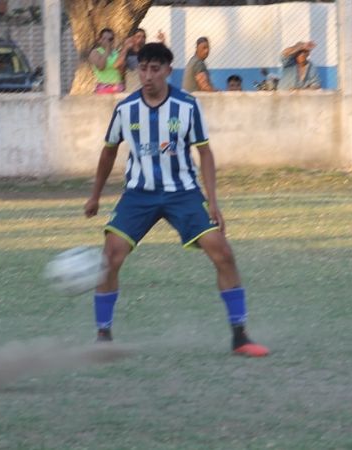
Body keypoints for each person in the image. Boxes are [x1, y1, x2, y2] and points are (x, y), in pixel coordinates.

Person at [84, 43, 269, 357]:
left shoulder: (187, 106)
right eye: (143, 68)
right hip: (138, 195)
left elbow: (205, 153)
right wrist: (95, 196)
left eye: (155, 69)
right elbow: (108, 152)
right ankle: (103, 336)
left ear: (168, 71)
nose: (148, 75)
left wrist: (213, 202)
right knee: (110, 256)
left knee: (222, 252)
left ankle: (240, 336)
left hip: (183, 192)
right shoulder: (125, 108)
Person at [124, 28, 166, 92]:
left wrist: (162, 41)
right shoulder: (128, 52)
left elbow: (161, 55)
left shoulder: (148, 51)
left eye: (143, 37)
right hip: (132, 89)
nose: (141, 39)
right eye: (138, 36)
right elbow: (119, 65)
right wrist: (126, 47)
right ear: (133, 38)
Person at [88, 28, 127, 94]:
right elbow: (101, 67)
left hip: (117, 86)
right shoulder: (95, 52)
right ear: (99, 40)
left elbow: (122, 72)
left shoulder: (116, 53)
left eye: (110, 39)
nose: (108, 41)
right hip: (103, 87)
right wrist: (107, 50)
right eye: (104, 39)